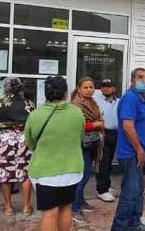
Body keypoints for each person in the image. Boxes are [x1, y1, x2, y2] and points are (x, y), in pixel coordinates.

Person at [26, 76, 85, 231]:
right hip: (72, 169)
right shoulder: (77, 113)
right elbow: (79, 137)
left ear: (46, 92)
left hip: (45, 172)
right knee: (66, 208)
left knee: (49, 213)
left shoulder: (35, 115)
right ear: (65, 93)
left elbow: (30, 143)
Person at [111, 68, 145, 231]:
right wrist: (139, 149)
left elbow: (142, 122)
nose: (144, 80)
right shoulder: (130, 98)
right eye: (140, 77)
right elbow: (128, 126)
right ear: (132, 81)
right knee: (130, 193)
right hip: (132, 153)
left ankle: (134, 224)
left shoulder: (142, 98)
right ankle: (120, 227)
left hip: (139, 152)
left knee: (137, 191)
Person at [0, 78, 35, 215]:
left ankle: (8, 207)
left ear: (5, 88)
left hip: (4, 142)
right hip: (24, 141)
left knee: (5, 174)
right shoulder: (28, 103)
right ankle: (26, 207)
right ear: (21, 88)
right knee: (25, 174)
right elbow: (33, 124)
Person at [70, 76, 104, 224]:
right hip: (81, 143)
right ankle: (74, 208)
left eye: (91, 87)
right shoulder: (76, 105)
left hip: (92, 143)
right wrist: (96, 125)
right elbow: (77, 125)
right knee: (82, 177)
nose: (89, 90)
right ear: (79, 89)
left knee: (87, 173)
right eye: (85, 87)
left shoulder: (92, 102)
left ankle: (81, 201)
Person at [94, 78, 120, 203]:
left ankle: (106, 186)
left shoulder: (119, 101)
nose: (105, 88)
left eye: (108, 86)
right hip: (103, 133)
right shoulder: (96, 100)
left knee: (109, 161)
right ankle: (101, 190)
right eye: (103, 86)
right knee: (103, 161)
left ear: (114, 88)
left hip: (116, 133)